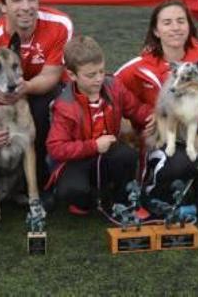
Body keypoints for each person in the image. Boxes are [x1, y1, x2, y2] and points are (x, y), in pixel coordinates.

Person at [114, 0, 198, 221]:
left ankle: (191, 195)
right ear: (156, 30)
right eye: (167, 22)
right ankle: (153, 193)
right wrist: (143, 116)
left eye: (181, 21)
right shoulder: (139, 67)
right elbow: (112, 94)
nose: (175, 27)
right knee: (178, 162)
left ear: (189, 26)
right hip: (169, 144)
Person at [0, 0, 73, 185]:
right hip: (6, 98)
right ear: (3, 6)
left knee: (47, 105)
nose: (26, 6)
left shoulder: (59, 24)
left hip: (42, 89)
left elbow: (51, 76)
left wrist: (22, 88)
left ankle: (49, 175)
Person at [46, 36, 153, 214]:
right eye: (90, 75)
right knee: (72, 191)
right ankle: (91, 197)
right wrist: (93, 146)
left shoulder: (114, 86)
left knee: (127, 155)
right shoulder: (64, 106)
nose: (98, 79)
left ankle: (123, 201)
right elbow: (56, 148)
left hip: (109, 153)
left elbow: (136, 109)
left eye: (101, 71)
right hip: (77, 161)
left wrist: (154, 116)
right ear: (72, 75)